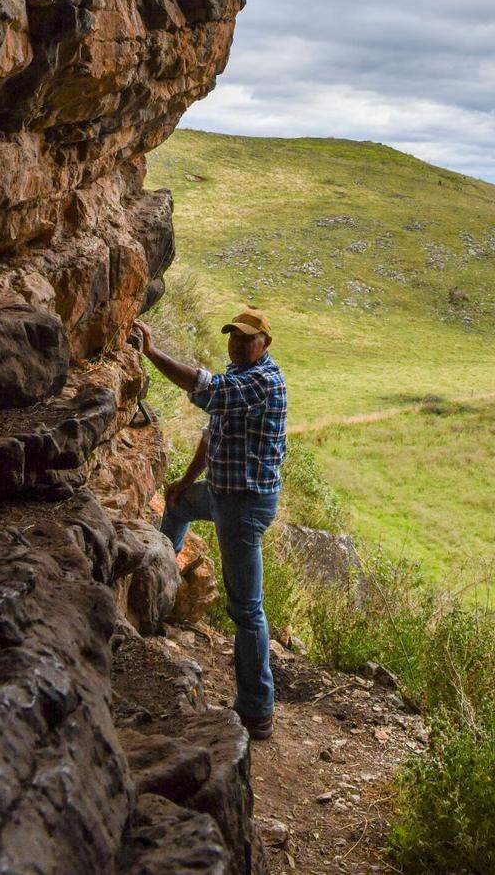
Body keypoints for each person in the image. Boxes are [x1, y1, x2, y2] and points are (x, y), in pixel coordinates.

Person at [134, 306, 287, 740]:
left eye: (247, 338)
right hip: (222, 493)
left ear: (265, 343)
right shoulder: (240, 373)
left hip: (244, 505)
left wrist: (152, 353)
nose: (237, 344)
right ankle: (158, 596)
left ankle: (257, 710)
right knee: (178, 505)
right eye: (233, 337)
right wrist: (185, 481)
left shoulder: (263, 381)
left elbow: (207, 389)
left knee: (246, 609)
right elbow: (211, 434)